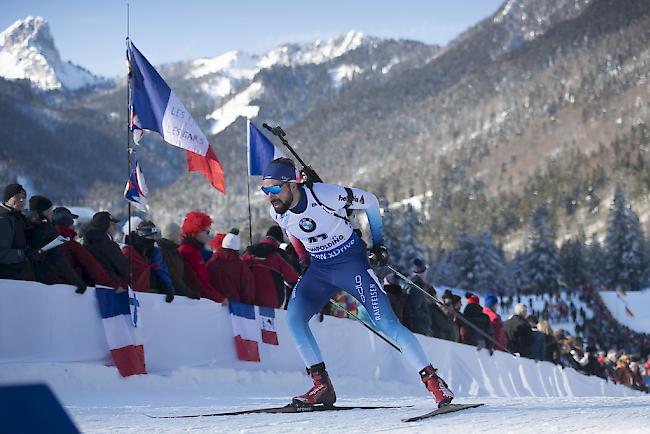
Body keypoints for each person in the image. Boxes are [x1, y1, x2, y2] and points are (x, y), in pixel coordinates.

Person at [261, 158, 453, 408]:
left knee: (387, 323)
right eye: (265, 190)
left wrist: (378, 243)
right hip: (319, 269)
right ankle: (322, 386)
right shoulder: (276, 210)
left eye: (275, 188)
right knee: (294, 319)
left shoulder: (325, 195)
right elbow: (292, 231)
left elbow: (370, 201)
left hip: (351, 265)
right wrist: (303, 257)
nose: (269, 196)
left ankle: (434, 382)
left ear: (293, 184)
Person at [28, 196, 87, 293]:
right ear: (45, 212)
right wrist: (78, 282)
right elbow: (59, 259)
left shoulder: (25, 226)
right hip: (48, 282)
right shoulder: (49, 231)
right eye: (50, 211)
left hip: (25, 279)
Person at [53, 207, 118, 289]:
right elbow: (94, 269)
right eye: (72, 223)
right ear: (67, 223)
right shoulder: (72, 245)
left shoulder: (44, 241)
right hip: (73, 291)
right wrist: (113, 286)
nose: (73, 227)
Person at [242, 225, 299, 309]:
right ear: (278, 241)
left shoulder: (248, 253)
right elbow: (293, 278)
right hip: (272, 302)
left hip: (248, 300)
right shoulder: (277, 256)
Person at [177, 211, 225, 303]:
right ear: (196, 231)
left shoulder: (193, 250)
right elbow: (198, 283)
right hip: (195, 303)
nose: (208, 235)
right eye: (207, 231)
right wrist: (219, 299)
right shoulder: (189, 252)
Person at [122, 220, 175, 303]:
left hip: (152, 294)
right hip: (133, 296)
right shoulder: (129, 252)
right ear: (141, 233)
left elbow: (161, 271)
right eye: (148, 233)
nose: (152, 237)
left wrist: (168, 288)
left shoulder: (154, 252)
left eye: (154, 234)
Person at [207, 228, 255, 303]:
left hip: (213, 306)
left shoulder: (212, 263)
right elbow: (248, 293)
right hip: (234, 308)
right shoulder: (242, 267)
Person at [83, 211, 129, 289]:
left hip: (88, 288)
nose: (115, 228)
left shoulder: (84, 243)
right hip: (110, 289)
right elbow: (124, 269)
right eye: (113, 225)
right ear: (106, 225)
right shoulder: (110, 245)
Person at [0, 183, 36, 280]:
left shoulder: (19, 218)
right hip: (8, 279)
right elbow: (2, 254)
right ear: (7, 199)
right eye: (17, 197)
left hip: (20, 275)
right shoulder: (3, 220)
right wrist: (24, 254)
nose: (21, 200)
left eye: (24, 197)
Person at [158, 222, 199, 299]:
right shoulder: (163, 252)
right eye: (180, 235)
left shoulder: (175, 252)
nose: (183, 238)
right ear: (173, 236)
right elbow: (172, 275)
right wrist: (187, 292)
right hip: (165, 298)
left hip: (176, 296)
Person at [402, 258, 433, 336]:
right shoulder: (416, 288)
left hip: (417, 328)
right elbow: (416, 310)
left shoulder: (415, 285)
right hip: (417, 329)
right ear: (423, 272)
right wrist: (426, 320)